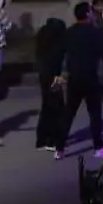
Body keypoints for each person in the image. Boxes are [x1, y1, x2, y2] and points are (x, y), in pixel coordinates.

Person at [52, 1, 103, 155]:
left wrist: (59, 74)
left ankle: (59, 148)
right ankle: (98, 147)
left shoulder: (69, 32)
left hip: (74, 78)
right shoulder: (97, 32)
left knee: (69, 113)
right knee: (95, 114)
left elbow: (61, 54)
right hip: (91, 77)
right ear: (88, 14)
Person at [34, 16, 69, 154]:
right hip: (54, 77)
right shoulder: (57, 42)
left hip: (44, 75)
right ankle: (53, 140)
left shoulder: (43, 38)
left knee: (47, 107)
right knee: (57, 109)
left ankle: (41, 138)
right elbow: (58, 60)